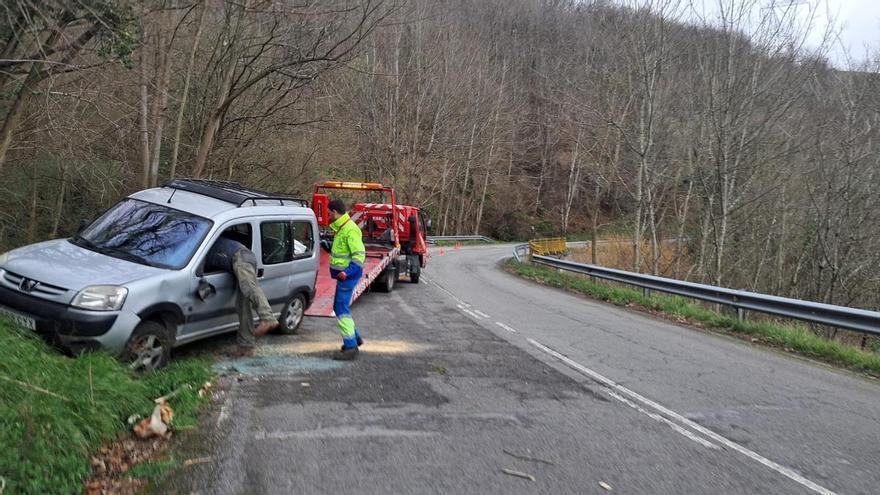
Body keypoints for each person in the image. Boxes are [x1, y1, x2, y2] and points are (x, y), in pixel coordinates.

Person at [207, 234, 279, 357]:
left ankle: (268, 318)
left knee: (248, 286)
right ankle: (246, 347)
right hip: (242, 258)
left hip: (240, 257)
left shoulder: (204, 245)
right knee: (243, 307)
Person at [326, 199, 366, 360]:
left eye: (329, 213)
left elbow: (359, 256)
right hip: (344, 276)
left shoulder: (350, 229)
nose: (328, 216)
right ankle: (355, 339)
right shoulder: (342, 228)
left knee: (341, 309)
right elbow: (342, 252)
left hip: (347, 277)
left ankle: (351, 347)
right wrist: (328, 247)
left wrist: (347, 273)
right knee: (340, 307)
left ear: (335, 212)